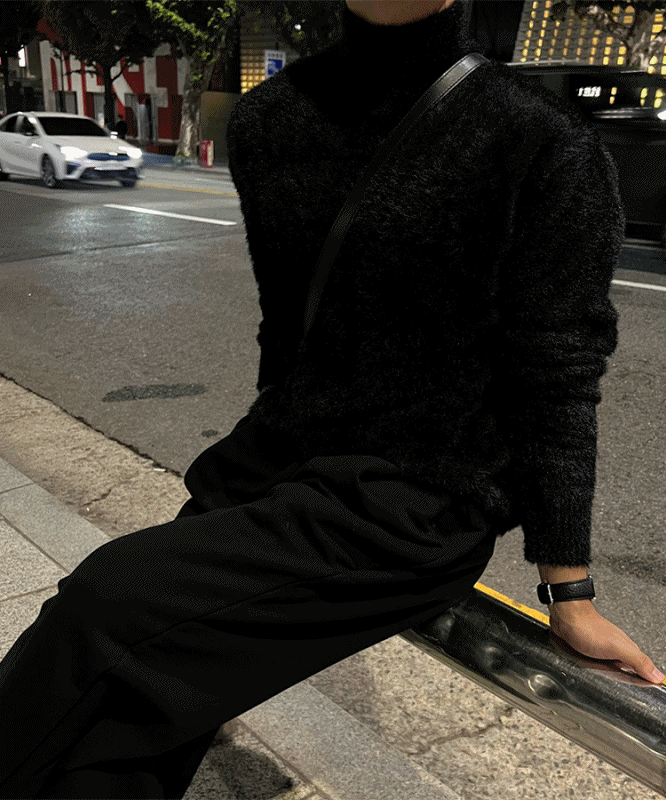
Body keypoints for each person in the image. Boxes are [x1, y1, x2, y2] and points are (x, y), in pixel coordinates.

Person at [0, 1, 663, 798]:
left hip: (415, 496)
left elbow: (556, 374)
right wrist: (265, 441)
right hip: (279, 450)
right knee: (144, 708)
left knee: (105, 607)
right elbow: (286, 330)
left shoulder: (541, 141)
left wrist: (569, 590)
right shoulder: (269, 119)